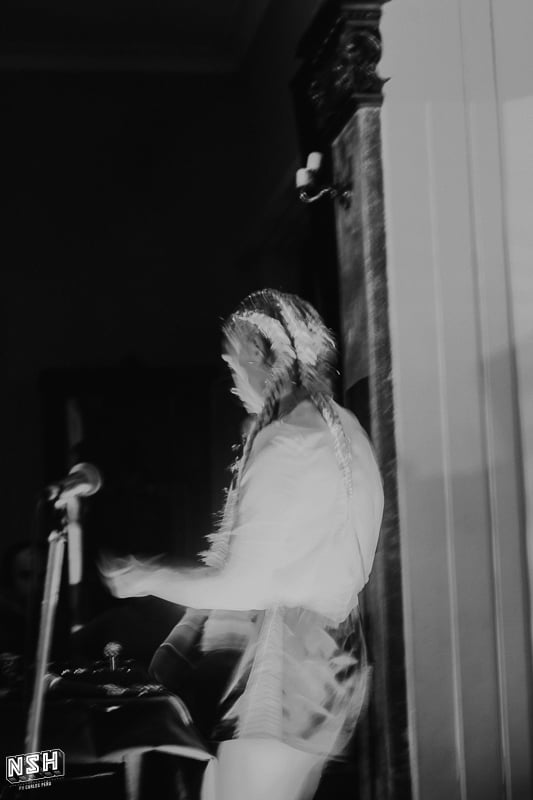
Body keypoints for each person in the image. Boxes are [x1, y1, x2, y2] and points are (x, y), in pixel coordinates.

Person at [101, 289, 384, 800]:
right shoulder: (346, 428)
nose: (233, 382)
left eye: (233, 365)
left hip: (288, 668)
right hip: (331, 658)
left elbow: (243, 586)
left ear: (258, 354)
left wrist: (145, 576)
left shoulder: (286, 441)